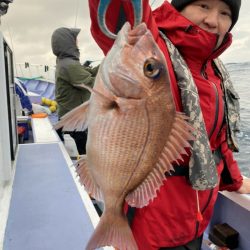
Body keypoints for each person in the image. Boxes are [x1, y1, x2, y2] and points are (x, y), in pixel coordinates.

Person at [88, 0, 250, 249]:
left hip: (196, 223)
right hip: (149, 230)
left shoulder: (214, 74)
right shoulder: (152, 49)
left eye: (225, 13)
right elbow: (119, 15)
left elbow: (216, 143)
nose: (213, 20)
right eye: (204, 5)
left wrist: (236, 182)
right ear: (179, 8)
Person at [51, 27, 98, 155]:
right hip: (74, 122)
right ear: (68, 42)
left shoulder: (66, 62)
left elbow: (89, 73)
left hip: (70, 118)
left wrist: (106, 63)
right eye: (75, 39)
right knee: (84, 156)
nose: (77, 42)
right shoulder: (69, 65)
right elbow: (90, 84)